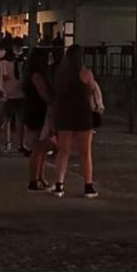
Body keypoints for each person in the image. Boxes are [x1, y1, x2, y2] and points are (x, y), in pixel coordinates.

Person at [50, 45, 104, 198]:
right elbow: (92, 89)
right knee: (85, 153)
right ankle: (88, 186)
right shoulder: (85, 73)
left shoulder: (60, 74)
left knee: (63, 151)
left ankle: (59, 185)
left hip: (64, 114)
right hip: (82, 114)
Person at [22, 47, 55, 191]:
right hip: (37, 112)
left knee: (42, 148)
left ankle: (40, 177)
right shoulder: (37, 76)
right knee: (38, 147)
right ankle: (34, 180)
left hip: (36, 110)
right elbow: (44, 95)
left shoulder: (33, 74)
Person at [1, 40, 27, 154]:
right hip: (9, 95)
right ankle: (7, 142)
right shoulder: (5, 62)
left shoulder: (23, 61)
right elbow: (3, 77)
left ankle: (21, 143)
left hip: (21, 94)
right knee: (7, 120)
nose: (19, 50)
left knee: (20, 121)